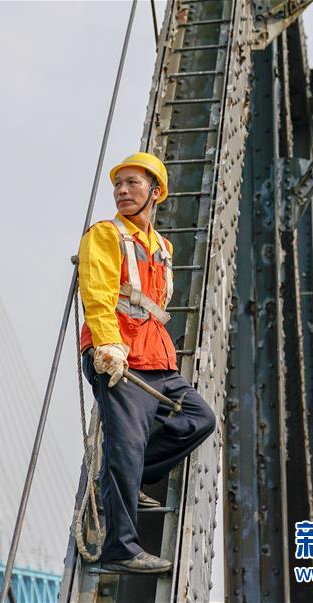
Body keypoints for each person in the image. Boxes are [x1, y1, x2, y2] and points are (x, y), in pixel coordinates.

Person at [78, 152, 216, 574]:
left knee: (199, 419)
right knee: (126, 445)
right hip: (119, 358)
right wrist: (108, 345)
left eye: (132, 183)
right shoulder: (105, 235)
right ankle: (120, 550)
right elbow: (98, 294)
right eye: (118, 185)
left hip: (157, 358)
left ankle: (128, 478)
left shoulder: (163, 248)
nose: (122, 191)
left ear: (155, 193)